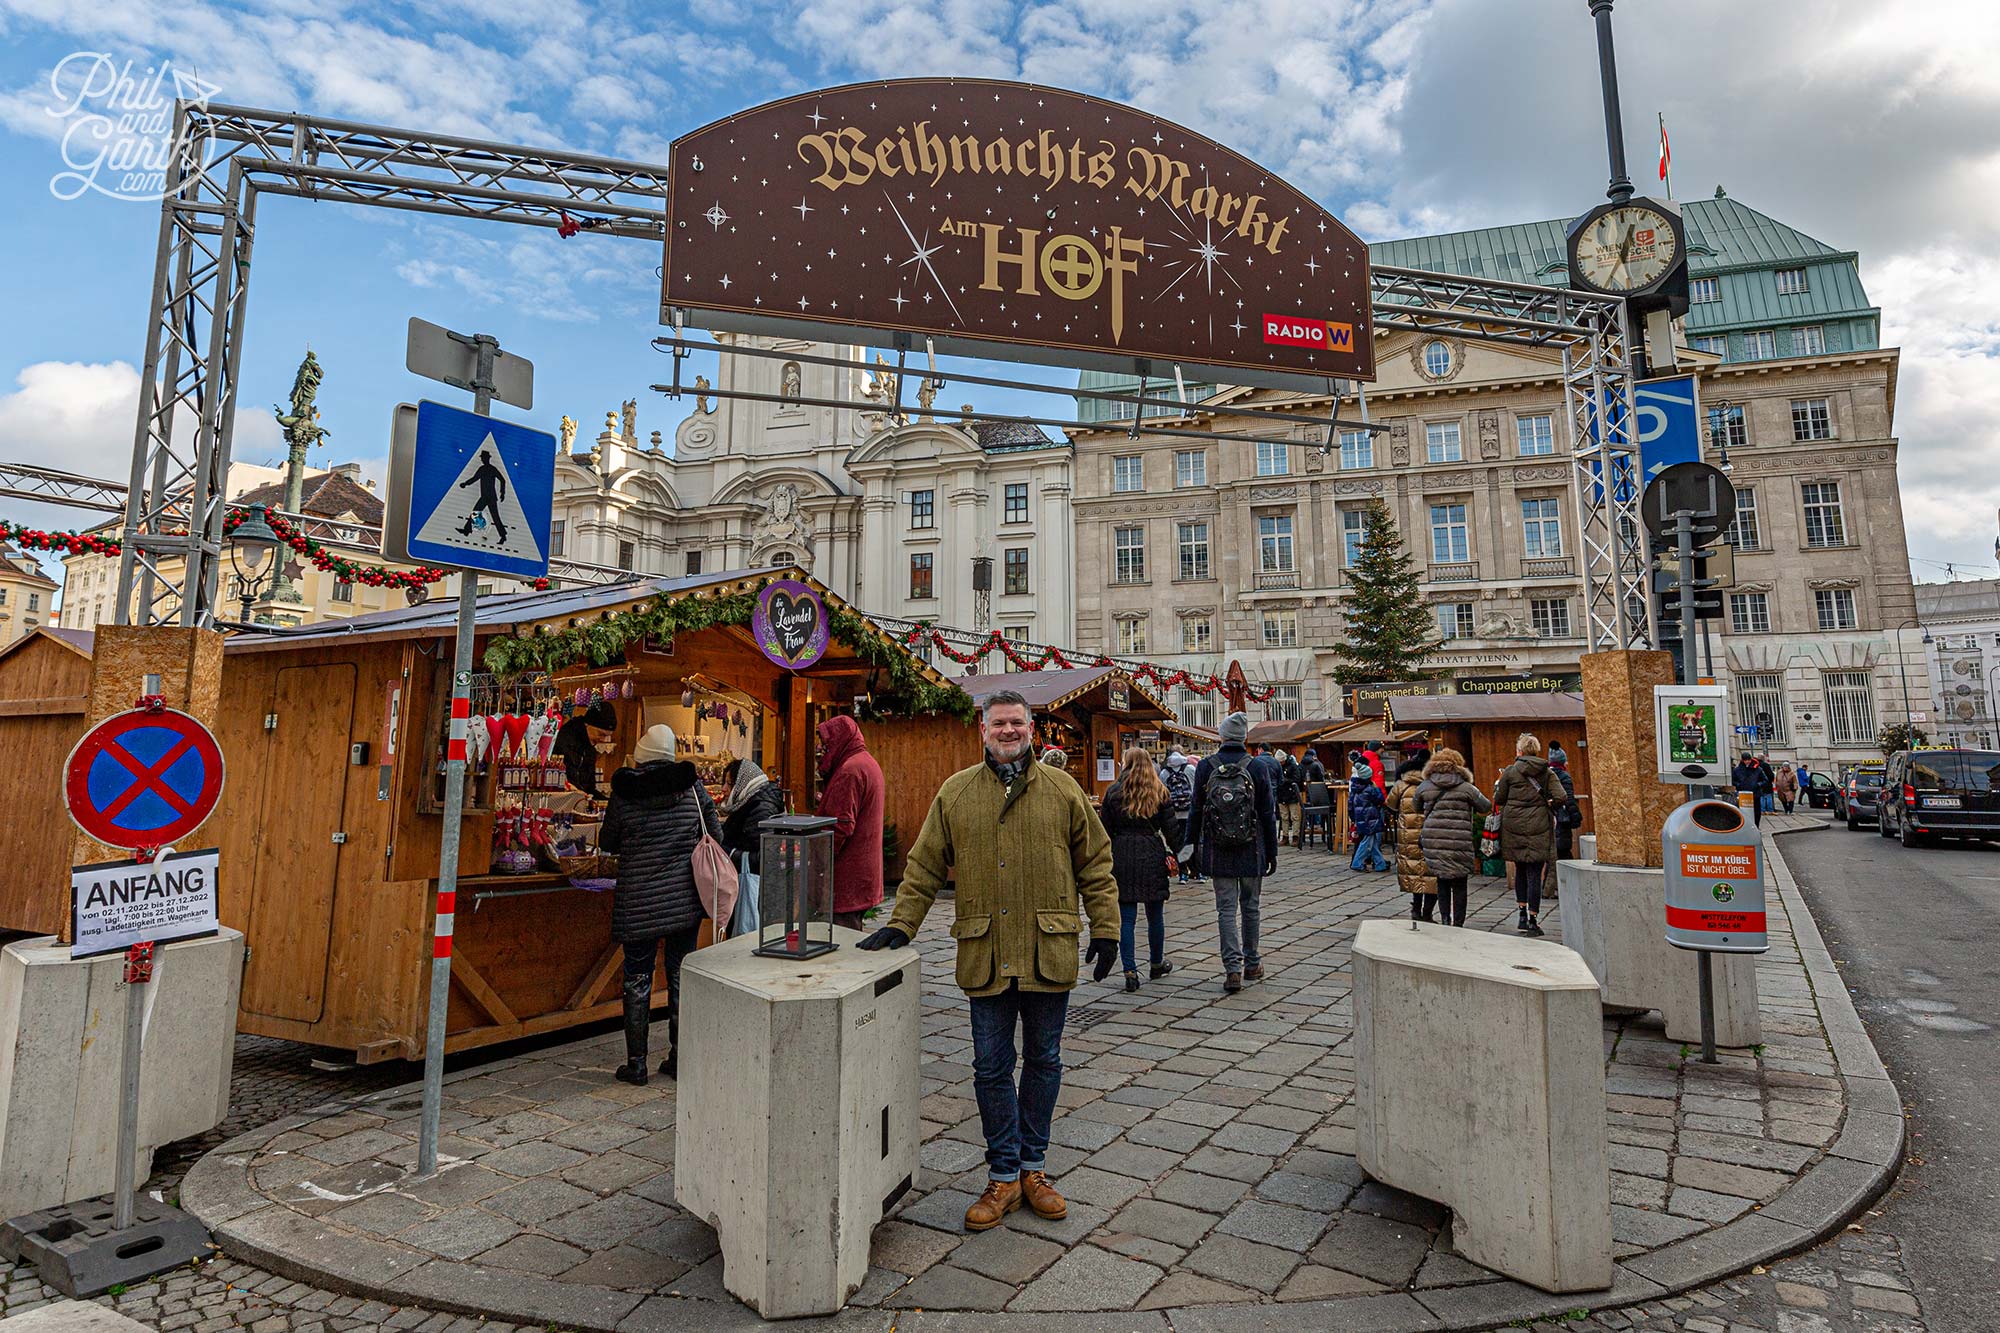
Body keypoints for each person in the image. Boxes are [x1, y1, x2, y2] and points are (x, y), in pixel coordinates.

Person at [857, 690, 1118, 1233]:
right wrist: (902, 923)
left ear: (1031, 728)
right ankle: (1003, 1175)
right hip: (988, 954)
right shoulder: (956, 793)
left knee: (1044, 1061)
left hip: (1047, 951)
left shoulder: (1063, 790)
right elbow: (924, 866)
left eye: (1016, 722)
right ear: (983, 730)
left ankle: (1033, 1169)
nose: (1008, 731)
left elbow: (1095, 862)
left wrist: (1107, 928)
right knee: (991, 1068)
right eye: (999, 723)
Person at [599, 723, 719, 1085]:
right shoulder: (692, 789)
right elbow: (715, 833)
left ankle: (636, 1064)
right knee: (680, 974)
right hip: (682, 900)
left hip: (638, 901)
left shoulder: (624, 793)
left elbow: (608, 841)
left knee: (637, 977)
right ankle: (679, 1057)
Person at [1189, 712, 1278, 993]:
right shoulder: (1257, 767)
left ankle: (1232, 970)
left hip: (1218, 849)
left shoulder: (1206, 766)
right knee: (1251, 907)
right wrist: (1272, 852)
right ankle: (1252, 962)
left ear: (1222, 735)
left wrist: (1190, 847)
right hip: (1252, 848)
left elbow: (1195, 810)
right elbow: (1268, 812)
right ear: (1244, 737)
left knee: (1225, 909)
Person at [1100, 748, 1179, 992]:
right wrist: (1182, 856)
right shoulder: (1159, 791)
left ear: (1125, 763)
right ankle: (1156, 963)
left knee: (1127, 918)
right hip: (1152, 852)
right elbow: (1171, 829)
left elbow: (1104, 830)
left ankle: (1130, 970)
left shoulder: (1114, 792)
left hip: (1122, 854)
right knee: (1155, 915)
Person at [816, 714, 885, 930]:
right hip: (861, 876)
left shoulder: (850, 771)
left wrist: (816, 859)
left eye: (827, 742)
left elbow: (839, 827)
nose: (822, 748)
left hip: (846, 878)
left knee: (842, 940)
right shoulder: (865, 762)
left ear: (840, 738)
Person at [1494, 732, 1567, 936]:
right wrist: (1549, 803)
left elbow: (1499, 799)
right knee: (1535, 872)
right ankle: (1533, 920)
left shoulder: (1510, 772)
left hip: (1514, 826)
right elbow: (1561, 796)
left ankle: (1521, 915)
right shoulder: (1547, 772)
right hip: (1538, 825)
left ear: (1519, 751)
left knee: (1520, 870)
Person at [1416, 748, 1490, 928]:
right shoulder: (1466, 788)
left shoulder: (1425, 785)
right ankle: (1458, 922)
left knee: (1441, 879)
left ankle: (1445, 919)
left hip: (1434, 839)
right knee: (1459, 882)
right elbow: (1485, 806)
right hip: (1459, 839)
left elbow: (1416, 806)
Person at [1386, 750, 1437, 921]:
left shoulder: (1401, 784)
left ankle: (1416, 908)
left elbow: (1390, 804)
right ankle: (1428, 912)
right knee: (1431, 874)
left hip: (1407, 834)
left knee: (1414, 870)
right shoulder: (1434, 782)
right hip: (1430, 832)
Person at [719, 757, 785, 871]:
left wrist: (727, 853)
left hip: (751, 878)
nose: (723, 788)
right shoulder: (747, 804)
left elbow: (767, 858)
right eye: (724, 783)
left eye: (729, 784)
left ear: (744, 785)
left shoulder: (760, 809)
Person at [550, 698, 618, 797]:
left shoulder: (589, 748)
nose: (603, 740)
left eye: (607, 736)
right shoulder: (566, 741)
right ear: (587, 724)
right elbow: (567, 782)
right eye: (601, 734)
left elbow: (589, 788)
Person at [1160, 750, 1198, 881]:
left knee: (1177, 843)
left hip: (1173, 814)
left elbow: (1162, 794)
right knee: (1192, 841)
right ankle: (1196, 870)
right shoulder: (1190, 769)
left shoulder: (1164, 773)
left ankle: (1183, 872)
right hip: (1189, 812)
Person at [1348, 761, 1391, 872]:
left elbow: (1350, 805)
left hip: (1361, 819)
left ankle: (1380, 864)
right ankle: (1357, 863)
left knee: (1372, 843)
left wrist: (1353, 819)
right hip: (1370, 819)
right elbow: (1380, 799)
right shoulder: (1370, 789)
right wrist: (1377, 788)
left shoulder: (1354, 789)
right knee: (1367, 843)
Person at [1548, 745, 1580, 871]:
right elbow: (1569, 799)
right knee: (1564, 852)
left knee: (1552, 855)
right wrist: (1576, 817)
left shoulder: (1545, 774)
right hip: (1562, 818)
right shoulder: (1564, 776)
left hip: (1549, 818)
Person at [1300, 755, 1332, 849]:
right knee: (1328, 806)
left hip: (1307, 797)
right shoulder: (1317, 764)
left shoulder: (1301, 765)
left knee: (1313, 805)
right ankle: (1328, 829)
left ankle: (1311, 827)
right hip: (1320, 799)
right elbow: (1321, 778)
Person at [1275, 748, 1303, 846]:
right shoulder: (1280, 766)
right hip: (1282, 794)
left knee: (1294, 816)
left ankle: (1295, 836)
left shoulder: (1293, 766)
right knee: (1284, 816)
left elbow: (1297, 779)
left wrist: (1285, 780)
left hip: (1291, 794)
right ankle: (1285, 836)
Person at [1732, 752, 1764, 827]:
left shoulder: (1757, 769)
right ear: (1742, 760)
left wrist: (1758, 785)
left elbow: (1764, 780)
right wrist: (1739, 785)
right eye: (1745, 760)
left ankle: (1756, 826)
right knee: (1743, 812)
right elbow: (1733, 780)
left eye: (1749, 760)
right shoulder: (1737, 770)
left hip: (1755, 794)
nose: (1747, 762)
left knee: (1756, 812)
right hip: (1743, 794)